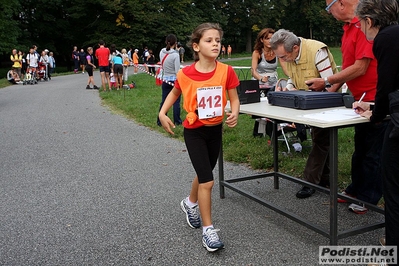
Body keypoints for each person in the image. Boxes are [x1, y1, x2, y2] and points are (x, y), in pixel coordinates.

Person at [158, 22, 240, 252]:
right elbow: (174, 92)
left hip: (215, 130)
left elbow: (233, 98)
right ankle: (208, 231)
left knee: (205, 173)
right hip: (194, 131)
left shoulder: (226, 71)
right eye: (209, 40)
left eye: (218, 41)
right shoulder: (185, 74)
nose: (215, 44)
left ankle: (190, 203)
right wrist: (162, 113)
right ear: (196, 46)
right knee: (208, 180)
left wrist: (235, 112)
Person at [305, 0, 387, 214]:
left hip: (376, 99)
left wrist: (327, 81)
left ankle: (368, 198)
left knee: (373, 152)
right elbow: (349, 67)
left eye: (328, 7)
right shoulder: (349, 28)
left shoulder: (366, 24)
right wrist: (328, 92)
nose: (328, 12)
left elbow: (361, 66)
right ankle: (354, 190)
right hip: (360, 99)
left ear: (340, 3)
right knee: (361, 148)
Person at [353, 0, 399, 259]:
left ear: (369, 21)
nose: (360, 29)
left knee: (392, 187)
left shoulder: (384, 38)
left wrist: (376, 116)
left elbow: (386, 83)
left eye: (360, 23)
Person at [269, 29, 339, 199]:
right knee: (321, 140)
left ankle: (310, 181)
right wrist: (286, 92)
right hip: (307, 102)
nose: (282, 60)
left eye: (283, 57)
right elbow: (294, 78)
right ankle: (325, 179)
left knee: (321, 140)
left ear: (294, 48)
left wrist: (322, 105)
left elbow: (332, 83)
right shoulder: (290, 54)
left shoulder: (317, 51)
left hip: (326, 101)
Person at [156, 34, 182, 126]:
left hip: (165, 79)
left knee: (164, 101)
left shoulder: (162, 52)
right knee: (176, 102)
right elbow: (177, 70)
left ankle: (160, 120)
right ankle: (177, 121)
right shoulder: (175, 55)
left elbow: (163, 66)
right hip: (174, 80)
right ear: (175, 43)